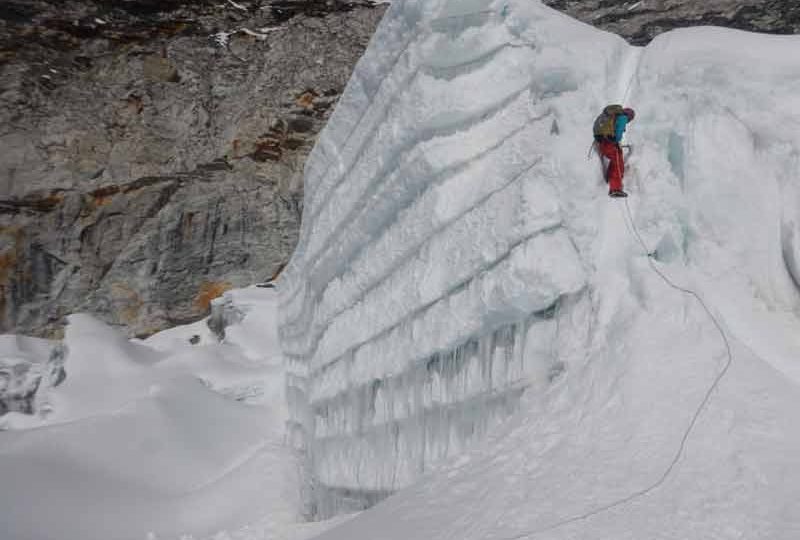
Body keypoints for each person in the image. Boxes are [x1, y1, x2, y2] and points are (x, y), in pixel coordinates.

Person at [593, 105, 635, 198]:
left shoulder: (612, 116)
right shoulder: (623, 117)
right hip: (609, 142)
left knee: (616, 161)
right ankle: (615, 189)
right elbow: (618, 133)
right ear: (629, 116)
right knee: (617, 163)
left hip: (602, 141)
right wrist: (616, 140)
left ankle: (613, 180)